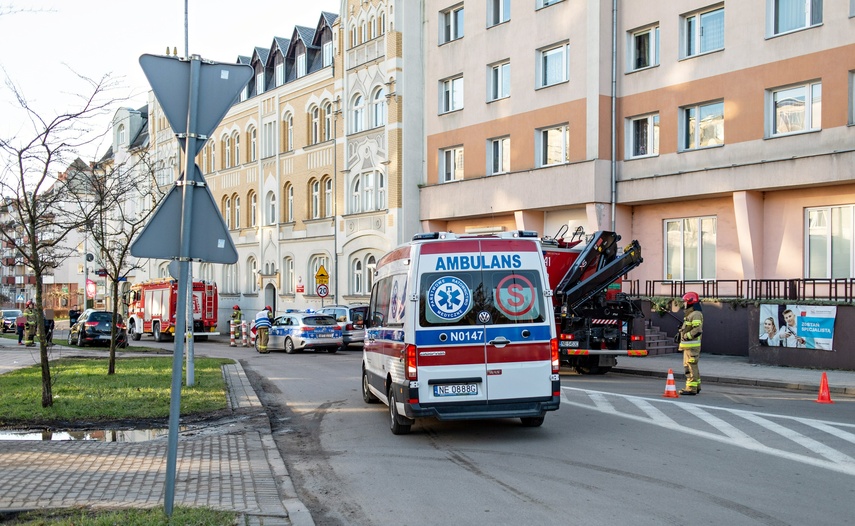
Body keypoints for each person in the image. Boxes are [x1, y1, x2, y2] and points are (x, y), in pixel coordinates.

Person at [677, 291, 704, 395]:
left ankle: (691, 389)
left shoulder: (696, 314)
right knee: (691, 366)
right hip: (689, 346)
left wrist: (685, 336)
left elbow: (697, 329)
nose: (684, 304)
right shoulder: (691, 314)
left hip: (692, 346)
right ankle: (696, 386)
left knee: (691, 366)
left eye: (685, 302)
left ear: (690, 302)